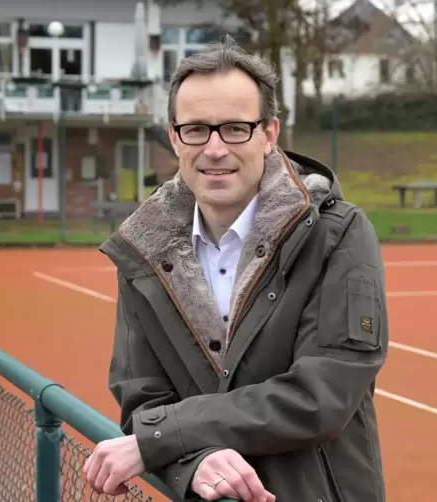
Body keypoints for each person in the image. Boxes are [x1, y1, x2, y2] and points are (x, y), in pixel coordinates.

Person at [83, 37, 388, 502]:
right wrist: (194, 461)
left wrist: (166, 438)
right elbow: (145, 403)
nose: (215, 148)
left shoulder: (337, 233)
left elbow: (322, 397)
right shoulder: (142, 250)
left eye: (235, 129)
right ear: (174, 136)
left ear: (269, 134)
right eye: (197, 130)